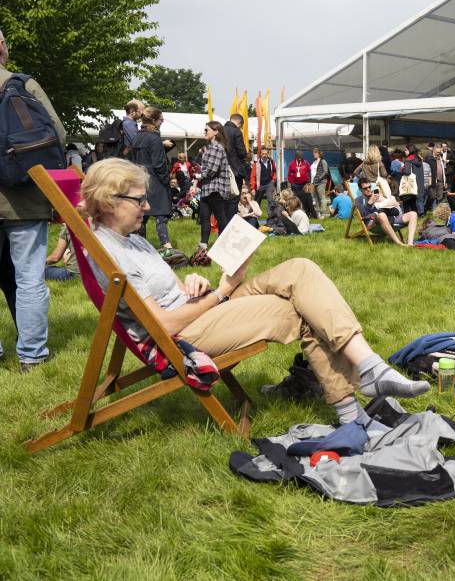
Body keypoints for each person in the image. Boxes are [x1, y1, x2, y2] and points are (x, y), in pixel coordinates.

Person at [79, 158, 429, 423]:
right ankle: (354, 414)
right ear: (110, 202)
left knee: (300, 269)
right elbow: (165, 326)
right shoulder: (110, 254)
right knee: (301, 309)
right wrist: (221, 292)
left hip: (197, 307)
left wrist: (193, 284)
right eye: (139, 200)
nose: (147, 206)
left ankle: (370, 369)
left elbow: (165, 291)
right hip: (184, 335)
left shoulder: (133, 241)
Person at [0, 26, 68, 371]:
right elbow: (57, 132)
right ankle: (32, 356)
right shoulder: (23, 84)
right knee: (29, 278)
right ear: (2, 47)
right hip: (24, 198)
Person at [129, 108, 173, 249]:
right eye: (161, 119)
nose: (162, 121)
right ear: (154, 121)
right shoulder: (154, 138)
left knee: (142, 216)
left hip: (139, 180)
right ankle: (167, 248)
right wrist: (166, 181)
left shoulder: (136, 137)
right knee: (161, 216)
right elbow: (159, 164)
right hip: (155, 180)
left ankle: (140, 247)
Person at [196, 121, 232, 250]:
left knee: (220, 217)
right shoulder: (210, 147)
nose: (204, 132)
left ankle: (224, 244)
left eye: (207, 130)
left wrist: (198, 176)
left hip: (216, 188)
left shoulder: (217, 148)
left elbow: (211, 170)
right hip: (207, 188)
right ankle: (204, 244)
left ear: (216, 131)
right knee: (205, 217)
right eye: (204, 130)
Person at [354, 180, 418, 246]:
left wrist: (392, 203)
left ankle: (410, 243)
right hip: (373, 222)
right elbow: (364, 216)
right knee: (381, 215)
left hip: (391, 218)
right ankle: (399, 243)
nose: (368, 189)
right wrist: (370, 203)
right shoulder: (358, 200)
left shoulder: (378, 196)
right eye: (365, 188)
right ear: (360, 189)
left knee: (413, 214)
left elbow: (393, 208)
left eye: (369, 187)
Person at [223, 114, 249, 219]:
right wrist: (246, 154)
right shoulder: (236, 132)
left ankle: (222, 225)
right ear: (239, 123)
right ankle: (231, 223)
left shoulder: (219, 131)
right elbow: (241, 152)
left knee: (223, 199)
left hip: (221, 170)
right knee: (233, 199)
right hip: (234, 170)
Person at [287, 150, 316, 217]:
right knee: (297, 199)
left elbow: (309, 172)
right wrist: (292, 183)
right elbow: (289, 175)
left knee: (306, 199)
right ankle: (297, 213)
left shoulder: (306, 163)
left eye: (301, 157)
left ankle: (307, 213)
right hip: (295, 185)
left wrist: (308, 182)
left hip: (304, 185)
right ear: (296, 157)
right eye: (298, 157)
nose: (300, 158)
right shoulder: (292, 164)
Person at [310, 148, 330, 216]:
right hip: (314, 182)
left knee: (321, 196)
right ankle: (318, 211)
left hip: (321, 182)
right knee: (316, 197)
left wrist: (319, 178)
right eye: (314, 152)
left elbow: (325, 171)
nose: (314, 154)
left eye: (315, 152)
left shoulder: (323, 161)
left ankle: (323, 211)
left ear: (319, 153)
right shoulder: (314, 161)